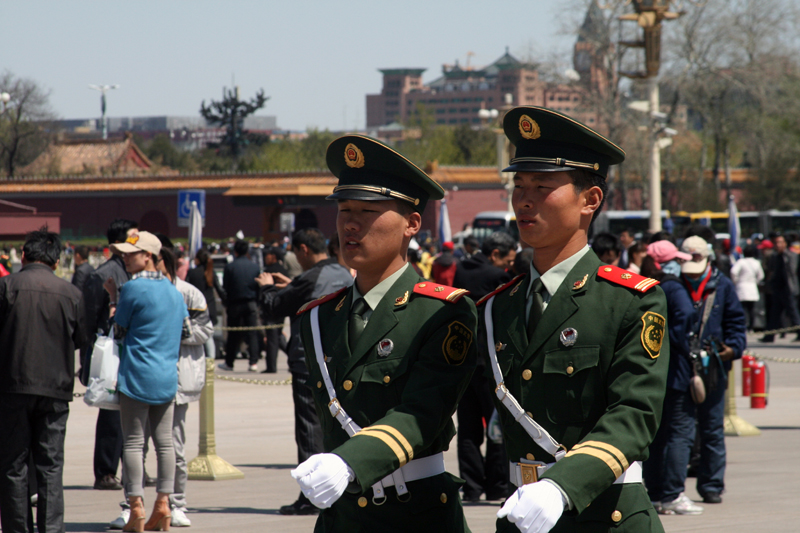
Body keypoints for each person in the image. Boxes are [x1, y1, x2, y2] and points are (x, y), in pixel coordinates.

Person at [480, 106, 669, 533]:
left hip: (605, 516)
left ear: (590, 200)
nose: (524, 200)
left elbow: (635, 413)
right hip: (523, 514)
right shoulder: (497, 307)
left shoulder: (628, 301)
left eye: (542, 186)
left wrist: (561, 486)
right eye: (519, 185)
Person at [291, 135, 477, 531]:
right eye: (344, 210)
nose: (350, 223)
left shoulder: (441, 312)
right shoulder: (317, 318)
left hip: (415, 514)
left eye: (368, 211)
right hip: (341, 518)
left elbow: (423, 412)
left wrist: (349, 462)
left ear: (412, 224)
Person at [255, 227, 354, 515]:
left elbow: (273, 307)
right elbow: (315, 296)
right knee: (336, 429)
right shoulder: (343, 272)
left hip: (308, 363)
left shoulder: (309, 278)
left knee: (309, 429)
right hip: (340, 362)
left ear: (303, 250)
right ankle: (338, 490)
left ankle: (312, 497)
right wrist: (294, 285)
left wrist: (266, 286)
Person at [0, 228, 87, 533]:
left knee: (13, 464)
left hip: (12, 386)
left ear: (23, 255)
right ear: (56, 260)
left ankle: (17, 529)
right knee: (50, 466)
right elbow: (81, 339)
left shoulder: (6, 287)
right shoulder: (72, 294)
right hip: (55, 389)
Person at [104, 231, 189, 532]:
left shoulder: (132, 288)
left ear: (148, 256)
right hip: (166, 377)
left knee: (133, 442)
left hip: (136, 375)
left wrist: (113, 299)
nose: (125, 258)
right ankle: (164, 505)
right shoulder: (174, 291)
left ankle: (136, 506)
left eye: (131, 254)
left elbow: (118, 330)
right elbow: (185, 332)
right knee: (165, 444)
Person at [679, 236, 746, 504]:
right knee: (681, 428)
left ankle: (711, 485)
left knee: (712, 428)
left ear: (708, 259)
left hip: (714, 366)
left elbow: (736, 321)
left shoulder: (723, 285)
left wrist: (733, 348)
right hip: (682, 366)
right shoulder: (674, 284)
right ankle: (673, 488)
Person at [640, 241, 704, 515]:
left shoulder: (643, 285)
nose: (680, 264)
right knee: (680, 433)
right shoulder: (674, 287)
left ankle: (655, 493)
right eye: (676, 260)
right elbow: (687, 315)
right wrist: (682, 341)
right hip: (676, 371)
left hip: (652, 372)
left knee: (656, 436)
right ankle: (673, 494)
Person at [158, 240, 214, 528]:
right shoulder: (137, 291)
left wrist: (177, 331)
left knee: (175, 446)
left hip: (178, 378)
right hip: (146, 378)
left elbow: (205, 330)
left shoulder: (190, 293)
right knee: (136, 447)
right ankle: (132, 505)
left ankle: (177, 503)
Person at [82, 218, 138, 492]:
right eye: (133, 238)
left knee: (134, 414)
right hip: (111, 351)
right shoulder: (103, 274)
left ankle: (133, 470)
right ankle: (105, 471)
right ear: (117, 244)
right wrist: (88, 359)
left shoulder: (137, 272)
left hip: (133, 350)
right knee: (111, 414)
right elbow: (89, 320)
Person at [220, 239, 261, 372]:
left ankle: (229, 362)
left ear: (235, 251)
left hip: (235, 304)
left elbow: (226, 287)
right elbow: (258, 287)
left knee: (233, 333)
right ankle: (253, 362)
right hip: (251, 302)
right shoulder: (255, 267)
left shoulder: (230, 267)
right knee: (252, 333)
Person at [186, 247, 226, 360]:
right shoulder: (211, 272)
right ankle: (211, 361)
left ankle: (201, 360)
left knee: (196, 335)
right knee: (209, 336)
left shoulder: (192, 273)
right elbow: (219, 290)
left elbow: (186, 290)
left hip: (195, 309)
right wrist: (226, 302)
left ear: (198, 259)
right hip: (210, 307)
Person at [759, 234, 800, 342]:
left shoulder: (791, 255)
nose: (778, 245)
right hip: (778, 288)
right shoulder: (774, 256)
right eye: (776, 243)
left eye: (780, 242)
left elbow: (792, 271)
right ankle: (769, 336)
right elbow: (771, 271)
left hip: (788, 288)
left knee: (793, 312)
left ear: (785, 243)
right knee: (774, 314)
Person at [453, 231, 517, 300]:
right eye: (509, 261)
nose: (511, 265)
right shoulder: (499, 275)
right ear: (495, 254)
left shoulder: (461, 266)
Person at [260, 246, 290, 373]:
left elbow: (263, 292)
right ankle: (293, 356)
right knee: (277, 336)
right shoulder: (283, 270)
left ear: (273, 257)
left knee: (272, 338)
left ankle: (271, 366)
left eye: (267, 255)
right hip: (282, 307)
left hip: (271, 308)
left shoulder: (269, 272)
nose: (265, 257)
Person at [730, 245, 765, 331]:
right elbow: (761, 275)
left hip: (742, 287)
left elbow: (733, 271)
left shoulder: (741, 262)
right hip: (752, 287)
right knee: (751, 309)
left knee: (742, 309)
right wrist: (755, 282)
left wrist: (736, 281)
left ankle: (743, 325)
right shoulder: (756, 262)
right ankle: (751, 327)